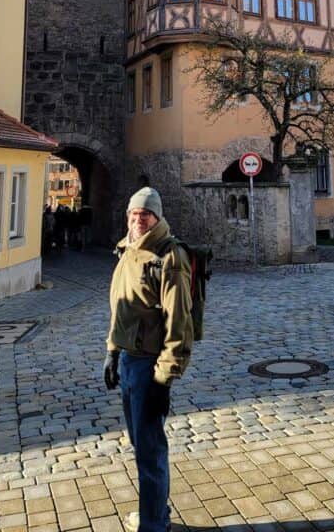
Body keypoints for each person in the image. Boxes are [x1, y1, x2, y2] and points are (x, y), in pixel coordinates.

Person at [103, 187, 193, 532]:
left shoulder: (170, 257)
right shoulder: (126, 250)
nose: (138, 220)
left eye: (145, 215)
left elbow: (179, 323)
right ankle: (154, 510)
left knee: (150, 448)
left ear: (156, 218)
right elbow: (119, 308)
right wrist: (112, 352)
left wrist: (164, 378)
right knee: (141, 443)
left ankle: (154, 523)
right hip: (127, 360)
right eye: (133, 214)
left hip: (149, 365)